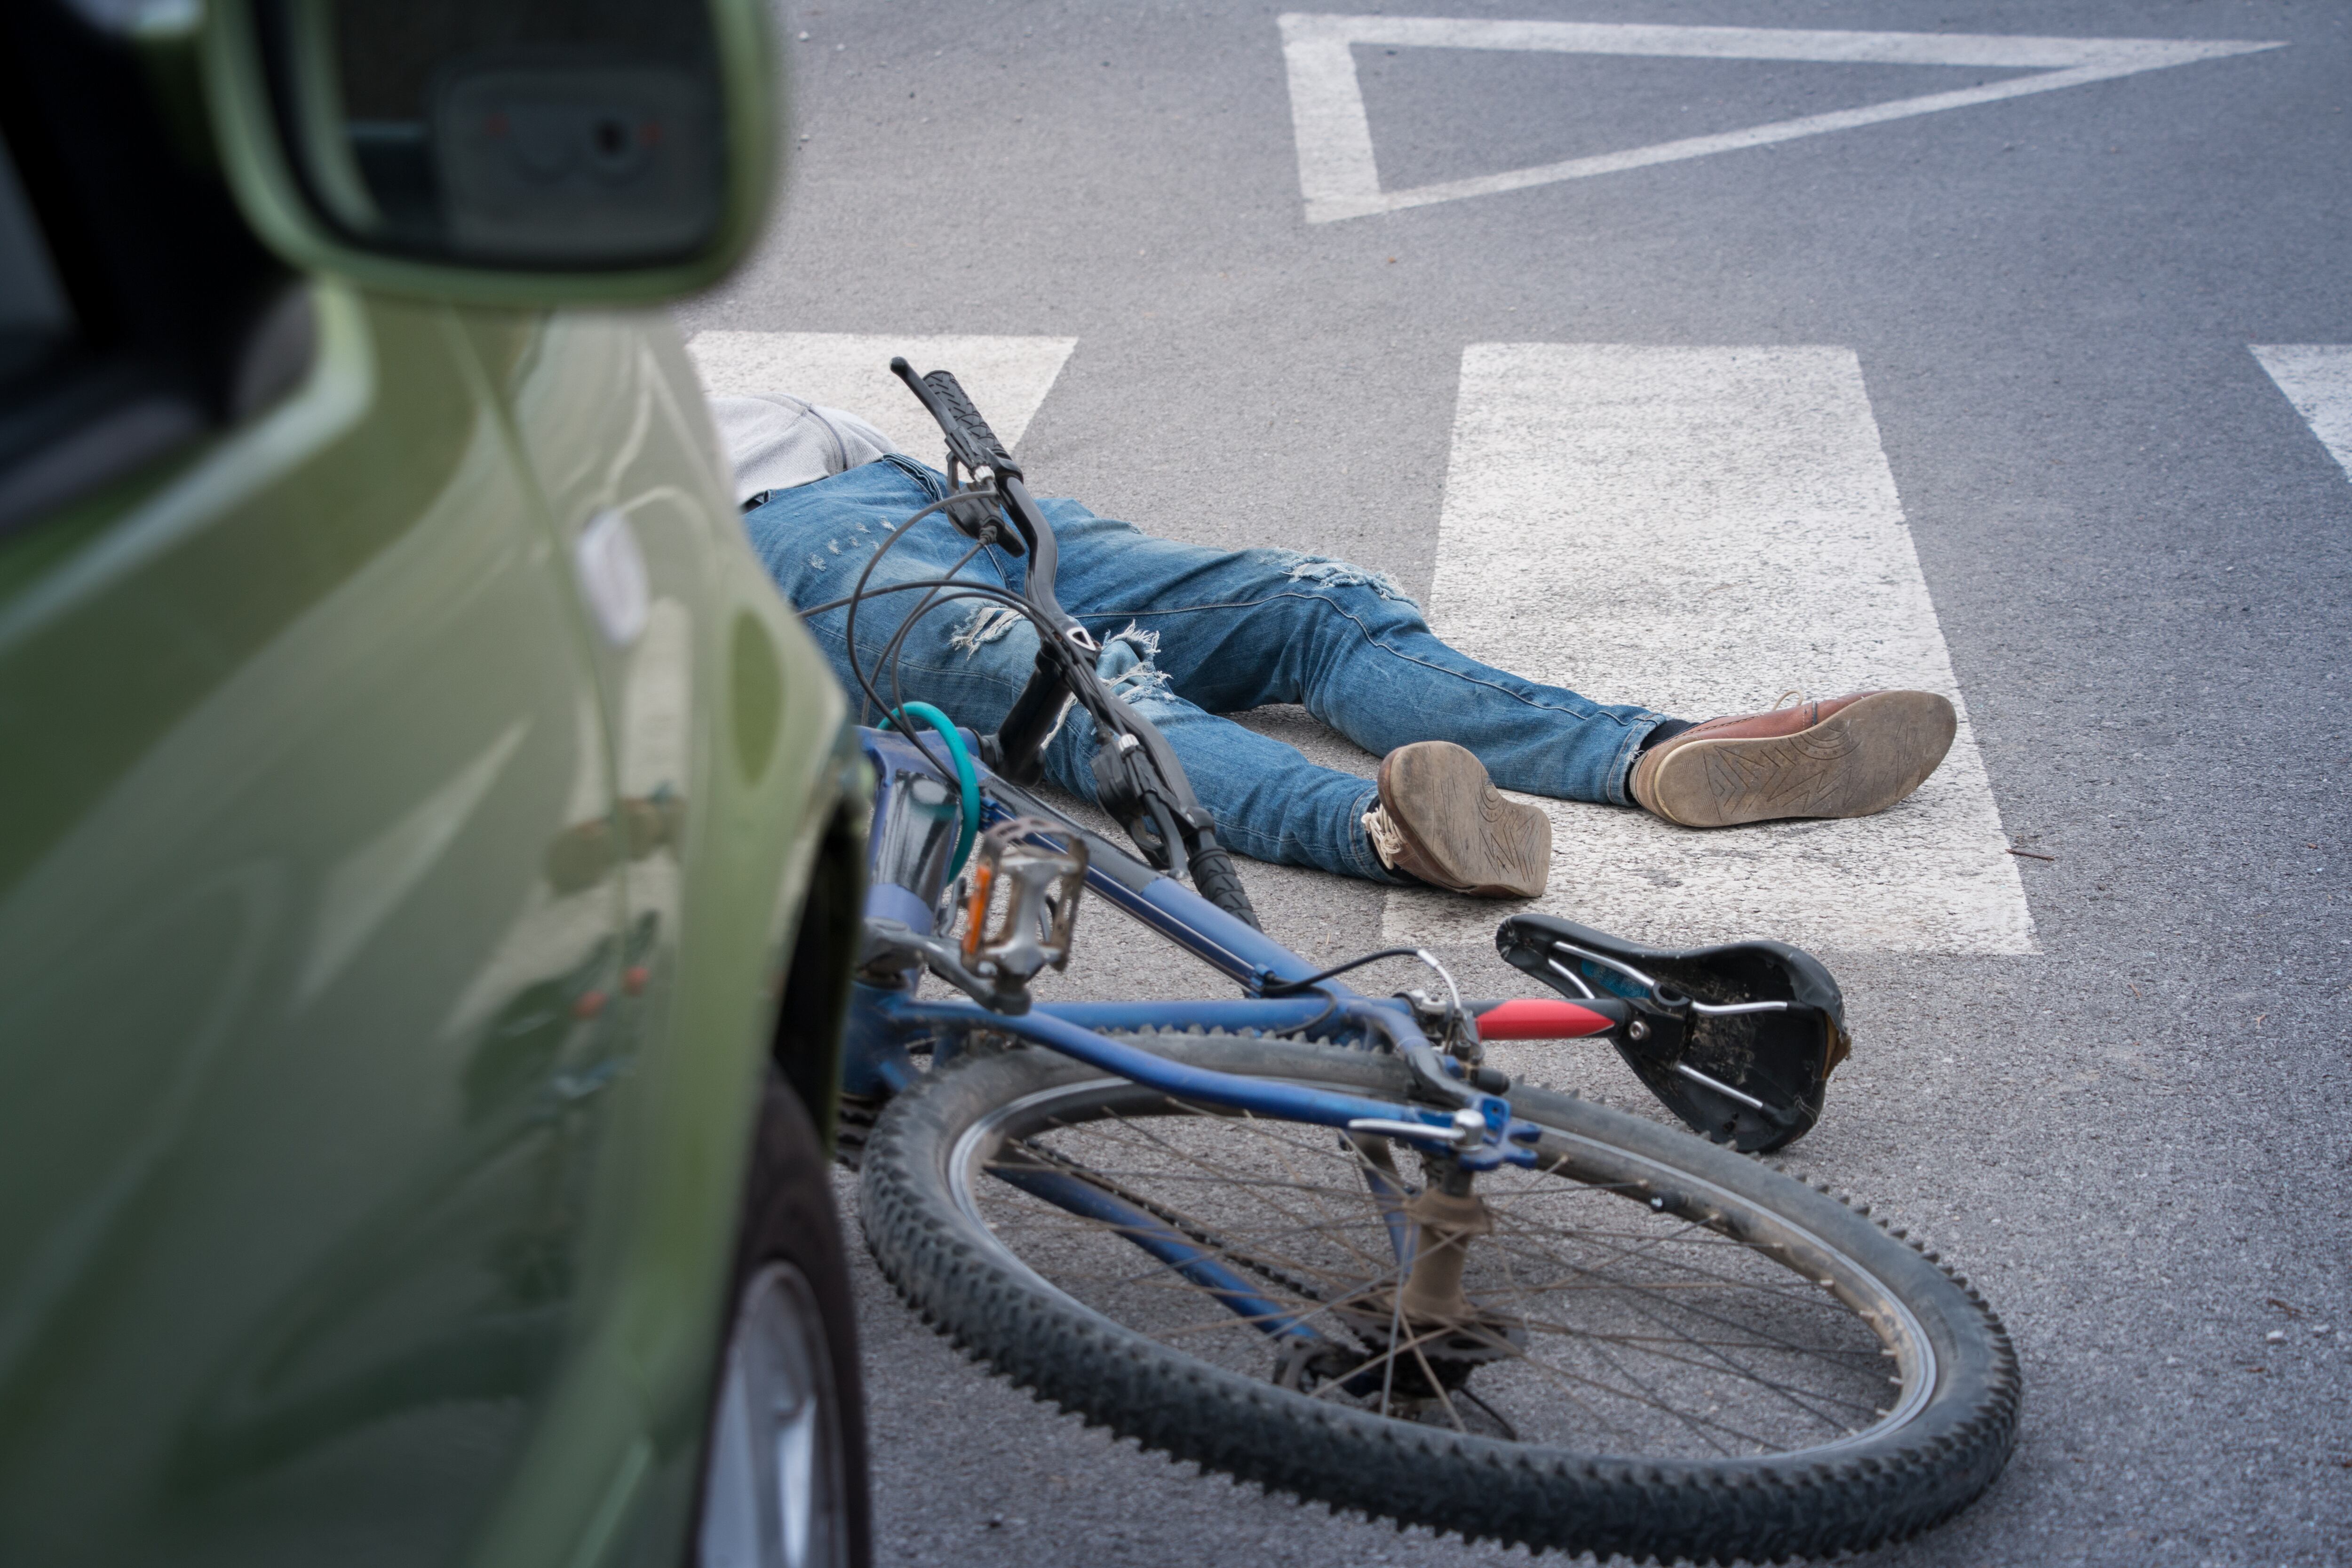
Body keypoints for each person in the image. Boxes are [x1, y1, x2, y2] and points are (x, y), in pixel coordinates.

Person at [715, 392, 1958, 900]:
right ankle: (1387, 833)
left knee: (1311, 601)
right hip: (780, 551)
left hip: (937, 495)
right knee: (1095, 693)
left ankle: (1654, 755)